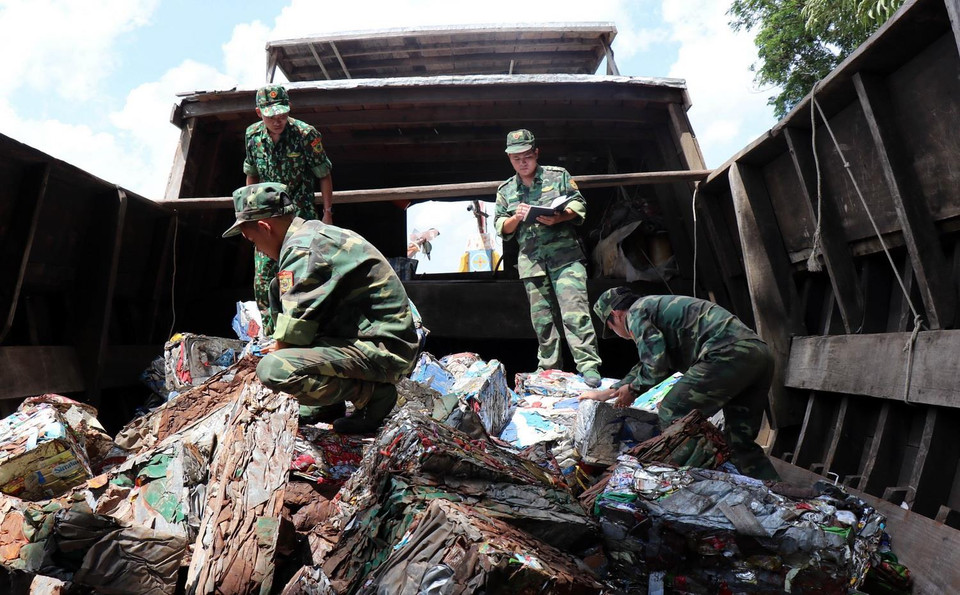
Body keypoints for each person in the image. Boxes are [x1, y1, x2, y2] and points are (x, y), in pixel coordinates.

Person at [223, 183, 418, 434]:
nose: (257, 249)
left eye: (253, 241)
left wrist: (279, 349)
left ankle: (371, 394)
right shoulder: (307, 236)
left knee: (274, 370)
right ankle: (327, 404)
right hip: (365, 338)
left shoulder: (303, 249)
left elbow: (295, 329)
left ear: (264, 227)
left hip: (386, 348)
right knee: (276, 288)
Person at [580, 287, 779, 480]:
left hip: (725, 354)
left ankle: (701, 479)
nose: (618, 334)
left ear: (616, 315)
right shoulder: (653, 307)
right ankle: (779, 493)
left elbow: (656, 363)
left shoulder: (636, 313)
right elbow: (654, 360)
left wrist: (633, 389)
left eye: (612, 328)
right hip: (758, 354)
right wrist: (612, 391)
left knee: (673, 413)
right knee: (740, 441)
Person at [493, 129, 602, 388]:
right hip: (532, 262)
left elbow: (580, 205)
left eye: (527, 156)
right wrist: (515, 218)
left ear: (536, 153)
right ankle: (549, 368)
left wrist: (560, 217)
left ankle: (588, 366)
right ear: (509, 159)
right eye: (516, 158)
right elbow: (500, 226)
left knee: (575, 312)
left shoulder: (558, 175)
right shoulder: (506, 190)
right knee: (542, 321)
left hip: (566, 259)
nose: (523, 162)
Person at [243, 84, 334, 335]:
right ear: (258, 112)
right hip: (266, 220)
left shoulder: (306, 134)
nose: (277, 120)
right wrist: (249, 215)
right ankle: (269, 335)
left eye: (282, 114)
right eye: (271, 115)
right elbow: (251, 174)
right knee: (263, 279)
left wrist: (327, 214)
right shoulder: (252, 136)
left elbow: (323, 175)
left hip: (299, 219)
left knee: (295, 276)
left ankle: (296, 334)